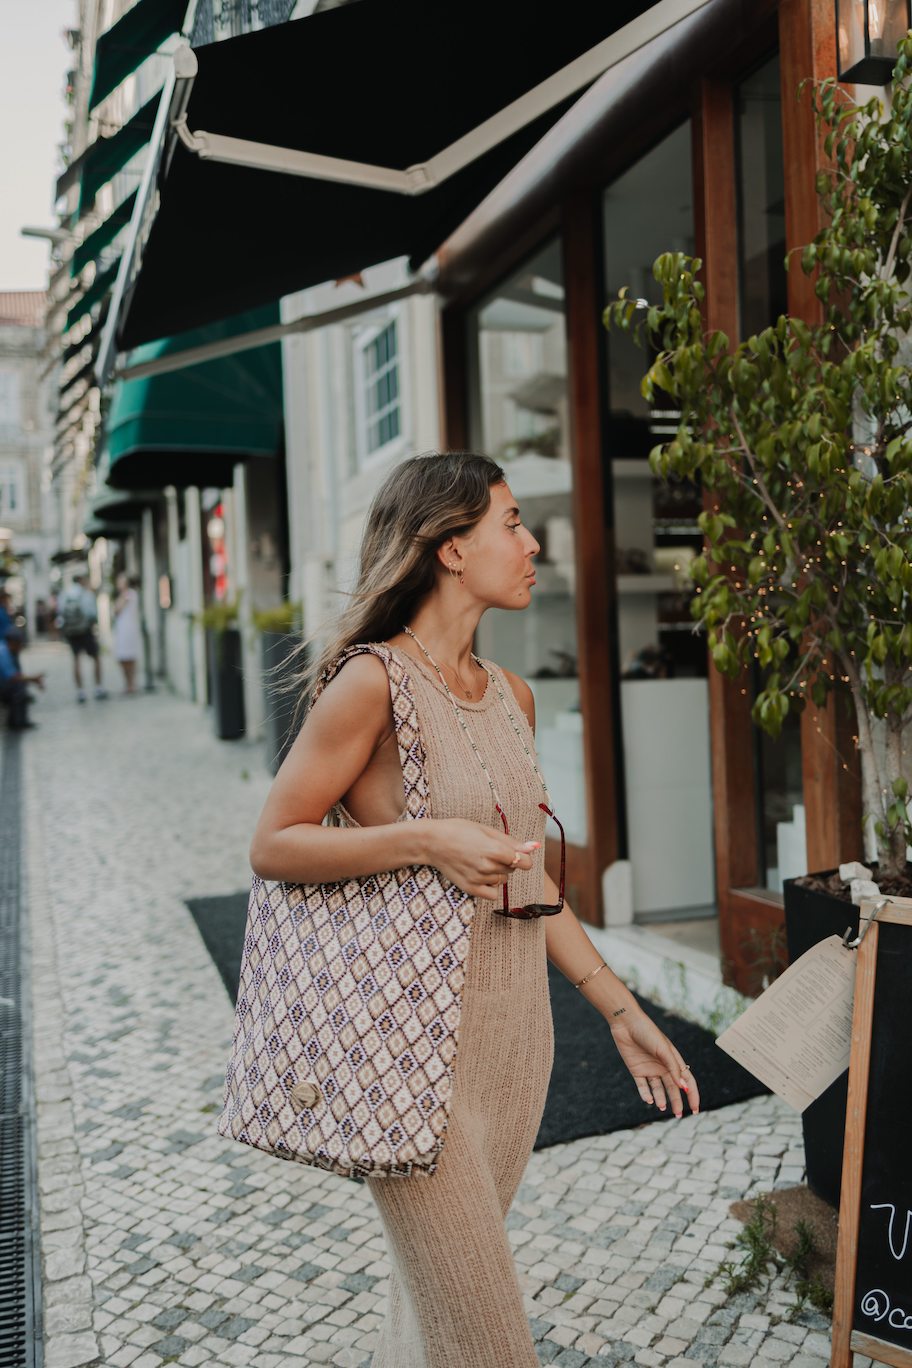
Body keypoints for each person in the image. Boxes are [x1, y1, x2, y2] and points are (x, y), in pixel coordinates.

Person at [249, 452, 701, 1367]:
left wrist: (621, 1011)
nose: (532, 544)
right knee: (489, 1340)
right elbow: (274, 842)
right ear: (450, 548)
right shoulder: (371, 683)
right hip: (408, 1050)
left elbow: (530, 884)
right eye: (512, 522)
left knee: (434, 1319)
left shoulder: (512, 696)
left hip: (513, 1045)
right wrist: (425, 839)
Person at [56, 572, 107, 703]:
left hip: (72, 632)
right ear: (82, 580)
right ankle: (98, 688)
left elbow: (60, 612)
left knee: (76, 660)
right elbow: (91, 614)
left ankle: (80, 692)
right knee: (95, 658)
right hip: (85, 630)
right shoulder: (86, 594)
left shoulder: (65, 594)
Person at [0, 634, 44, 730]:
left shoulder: (8, 650)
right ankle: (18, 721)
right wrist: (33, 679)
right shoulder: (3, 653)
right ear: (13, 643)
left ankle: (16, 720)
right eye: (19, 645)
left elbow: (16, 675)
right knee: (18, 689)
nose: (20, 648)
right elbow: (12, 677)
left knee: (20, 686)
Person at [112, 573, 142, 694]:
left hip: (128, 629)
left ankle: (131, 683)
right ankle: (128, 683)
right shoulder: (124, 595)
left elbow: (117, 610)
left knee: (129, 656)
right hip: (122, 629)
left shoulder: (129, 594)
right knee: (123, 657)